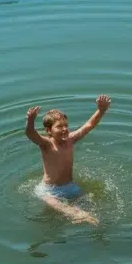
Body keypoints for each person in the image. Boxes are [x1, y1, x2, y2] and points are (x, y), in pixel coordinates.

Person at [25, 95, 111, 225]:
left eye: (66, 125)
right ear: (48, 130)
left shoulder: (71, 140)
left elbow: (89, 125)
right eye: (59, 127)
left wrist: (101, 110)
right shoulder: (47, 144)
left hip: (70, 187)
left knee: (95, 206)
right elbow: (30, 134)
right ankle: (77, 217)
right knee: (75, 213)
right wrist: (30, 121)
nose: (64, 129)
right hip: (49, 191)